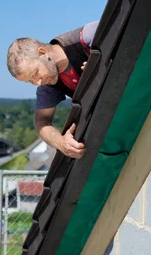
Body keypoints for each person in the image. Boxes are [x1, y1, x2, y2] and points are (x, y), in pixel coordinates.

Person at [6, 21, 99, 159]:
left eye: (35, 73)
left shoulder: (87, 37)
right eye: (30, 81)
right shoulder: (48, 84)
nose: (37, 83)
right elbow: (41, 122)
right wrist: (61, 143)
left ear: (43, 53)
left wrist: (104, 64)